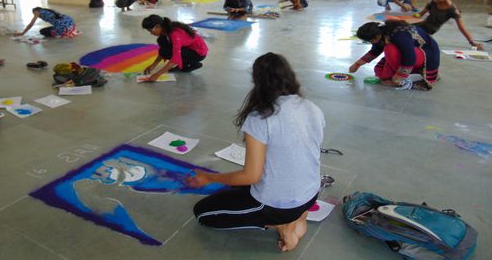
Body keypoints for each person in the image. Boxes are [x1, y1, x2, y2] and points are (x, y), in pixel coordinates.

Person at [187, 53, 324, 252]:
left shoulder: (261, 116)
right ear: (289, 76)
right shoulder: (311, 107)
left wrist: (208, 178)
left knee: (203, 213)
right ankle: (299, 215)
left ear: (256, 81)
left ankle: (282, 223)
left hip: (279, 205)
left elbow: (250, 176)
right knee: (232, 192)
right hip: (311, 193)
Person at [349, 20, 440, 90]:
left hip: (428, 55)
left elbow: (409, 57)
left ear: (377, 36)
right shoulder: (382, 32)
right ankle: (410, 72)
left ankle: (406, 77)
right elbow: (375, 50)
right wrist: (357, 64)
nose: (370, 43)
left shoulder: (399, 35)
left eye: (370, 41)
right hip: (413, 54)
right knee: (380, 73)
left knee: (390, 49)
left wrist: (398, 78)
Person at [413, 0, 484, 50]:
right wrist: (408, 17)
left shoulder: (453, 10)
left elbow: (461, 27)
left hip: (428, 30)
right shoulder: (433, 2)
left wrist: (472, 42)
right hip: (420, 25)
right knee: (403, 28)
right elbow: (420, 14)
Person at [141, 15, 208, 81]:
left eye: (151, 31)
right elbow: (162, 51)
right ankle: (184, 64)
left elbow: (176, 57)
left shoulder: (175, 34)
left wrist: (157, 74)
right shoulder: (165, 30)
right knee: (164, 51)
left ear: (158, 26)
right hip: (188, 48)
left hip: (199, 52)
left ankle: (194, 64)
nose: (151, 33)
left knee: (169, 53)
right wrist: (153, 65)